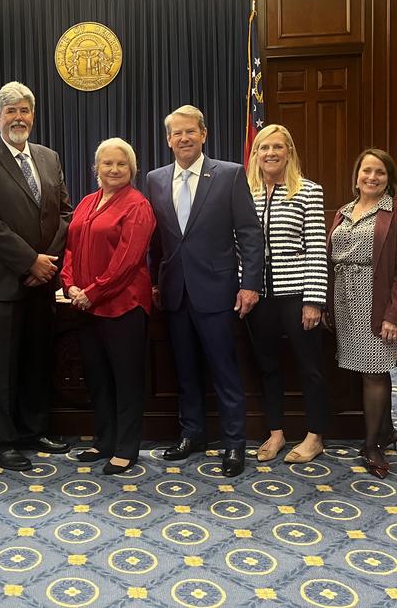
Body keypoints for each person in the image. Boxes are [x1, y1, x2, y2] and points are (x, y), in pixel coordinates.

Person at [145, 105, 264, 477]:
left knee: (224, 371)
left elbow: (249, 234)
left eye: (190, 132)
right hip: (174, 292)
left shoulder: (228, 175)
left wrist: (250, 285)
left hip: (217, 291)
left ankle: (233, 444)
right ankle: (192, 434)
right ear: (168, 140)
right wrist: (153, 281)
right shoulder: (155, 179)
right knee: (185, 370)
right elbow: (157, 240)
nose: (184, 138)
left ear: (203, 134)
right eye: (177, 133)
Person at [0, 80, 73, 471]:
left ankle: (32, 429)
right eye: (11, 111)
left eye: (24, 110)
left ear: (33, 115)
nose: (18, 117)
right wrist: (30, 262)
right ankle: (0, 440)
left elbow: (65, 213)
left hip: (41, 284)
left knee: (35, 361)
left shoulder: (48, 156)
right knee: (0, 368)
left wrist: (47, 263)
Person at [61, 138, 155, 474]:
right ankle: (104, 440)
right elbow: (70, 248)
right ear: (96, 168)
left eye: (121, 164)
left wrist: (92, 292)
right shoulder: (86, 202)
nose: (114, 170)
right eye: (107, 164)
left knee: (126, 380)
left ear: (132, 170)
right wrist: (69, 283)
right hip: (86, 306)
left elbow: (127, 262)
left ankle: (126, 447)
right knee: (98, 378)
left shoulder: (138, 206)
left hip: (123, 307)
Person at [327, 149, 397, 479]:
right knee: (364, 370)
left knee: (375, 371)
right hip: (344, 299)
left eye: (380, 172)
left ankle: (371, 446)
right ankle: (387, 430)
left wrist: (394, 315)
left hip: (377, 300)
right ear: (356, 176)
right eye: (366, 170)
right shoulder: (343, 211)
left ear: (389, 178)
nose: (372, 177)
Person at [244, 124, 330, 463]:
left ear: (289, 152)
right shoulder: (245, 192)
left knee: (310, 367)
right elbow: (240, 247)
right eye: (264, 148)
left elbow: (316, 251)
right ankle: (276, 432)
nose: (270, 153)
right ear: (256, 154)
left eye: (277, 147)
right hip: (258, 296)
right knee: (267, 367)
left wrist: (313, 300)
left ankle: (314, 435)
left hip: (297, 295)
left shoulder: (308, 191)